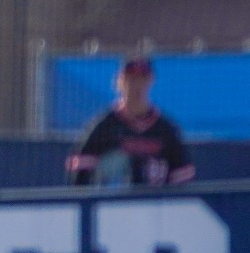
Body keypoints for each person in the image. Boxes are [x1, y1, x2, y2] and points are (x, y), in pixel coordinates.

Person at [67, 57, 193, 187]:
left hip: (156, 203)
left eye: (142, 79)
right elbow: (79, 171)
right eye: (131, 79)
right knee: (119, 160)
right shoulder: (105, 126)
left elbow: (182, 176)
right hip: (111, 204)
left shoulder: (166, 129)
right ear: (119, 81)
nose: (137, 85)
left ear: (151, 81)